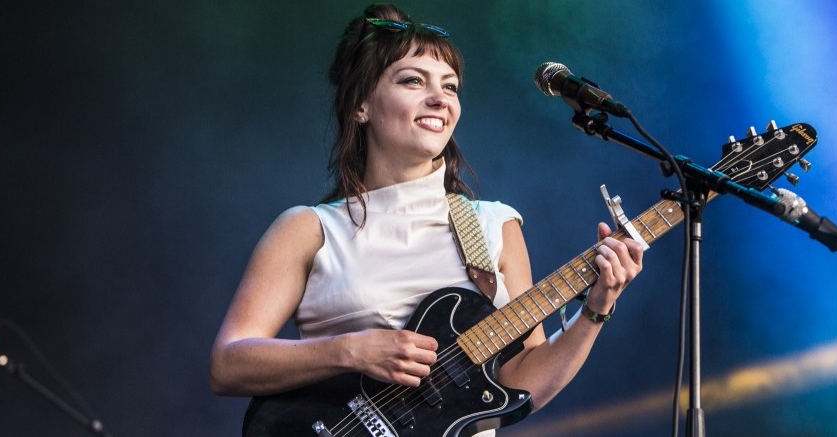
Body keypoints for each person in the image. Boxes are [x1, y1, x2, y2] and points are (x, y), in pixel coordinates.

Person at [209, 3, 644, 436]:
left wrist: (596, 309)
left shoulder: (492, 226)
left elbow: (519, 383)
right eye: (414, 81)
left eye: (450, 87)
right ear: (361, 105)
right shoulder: (308, 229)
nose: (440, 98)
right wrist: (351, 351)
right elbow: (228, 364)